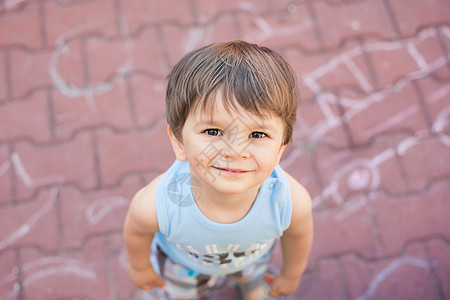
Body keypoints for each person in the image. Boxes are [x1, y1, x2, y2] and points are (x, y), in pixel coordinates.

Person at [123, 40, 313, 300]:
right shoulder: (159, 203)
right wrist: (139, 266)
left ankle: (249, 284)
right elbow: (136, 230)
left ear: (280, 148)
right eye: (213, 131)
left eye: (257, 134)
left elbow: (299, 234)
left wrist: (291, 274)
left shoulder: (290, 200)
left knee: (253, 276)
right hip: (184, 267)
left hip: (251, 260)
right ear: (179, 142)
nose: (235, 151)